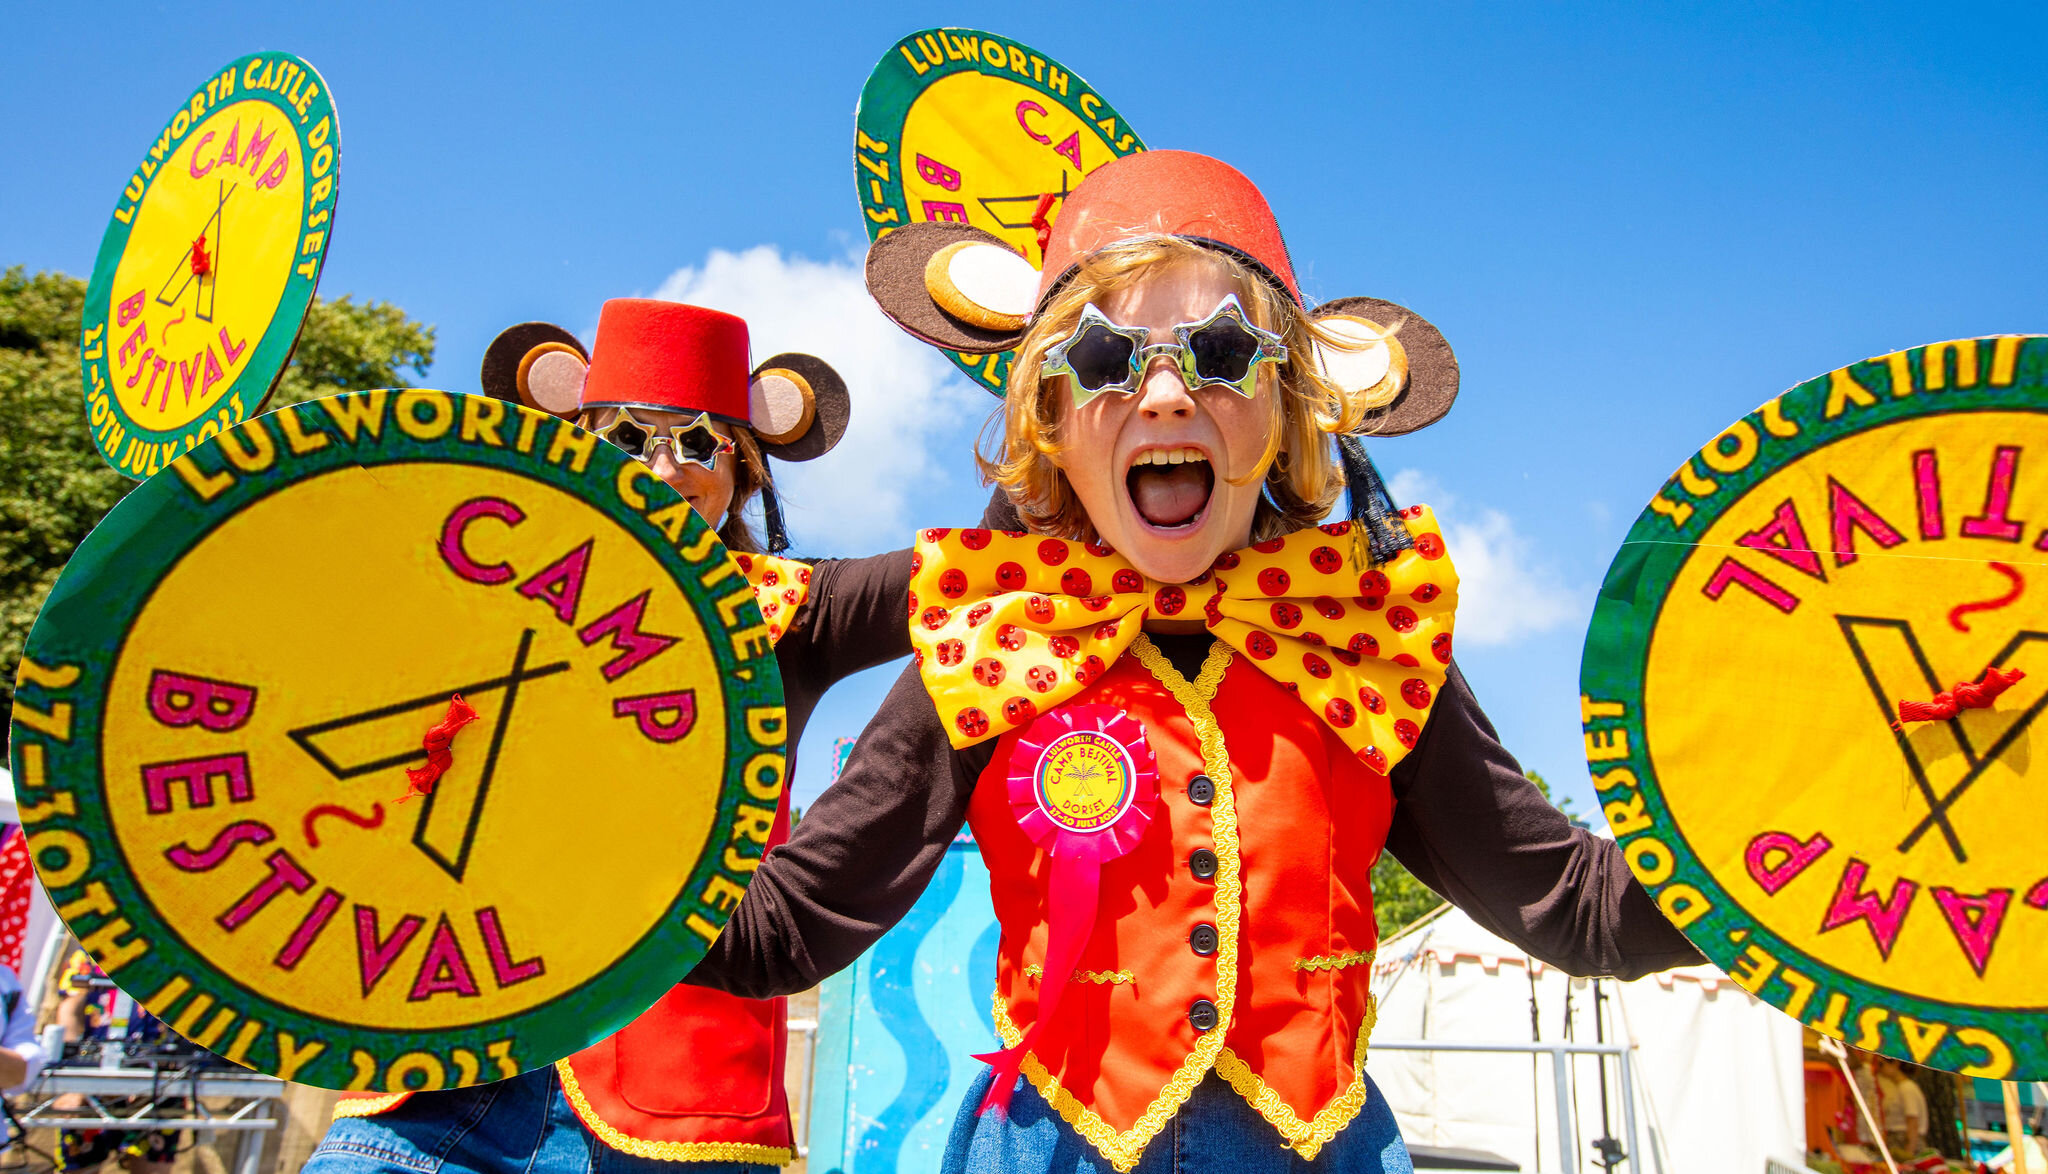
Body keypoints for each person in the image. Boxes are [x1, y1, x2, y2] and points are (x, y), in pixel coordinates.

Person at [685, 151, 1702, 1174]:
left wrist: (1781, 867)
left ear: (1289, 408)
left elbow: (1577, 905)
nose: (1165, 392)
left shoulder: (1364, 641)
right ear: (1048, 416)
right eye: (1101, 355)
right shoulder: (993, 636)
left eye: (1220, 351)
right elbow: (783, 930)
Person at [306, 300, 915, 1173]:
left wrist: (1070, 402)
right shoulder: (469, 580)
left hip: (674, 1093)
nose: (663, 468)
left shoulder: (790, 614)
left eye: (699, 442)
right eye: (628, 439)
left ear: (741, 472)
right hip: (449, 1067)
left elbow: (974, 572)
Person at [1875, 1057, 1927, 1157]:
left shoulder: (1906, 1088)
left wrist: (1908, 1153)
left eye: (1882, 1064)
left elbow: (1913, 1122)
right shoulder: (1902, 1087)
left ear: (1895, 1063)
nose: (1879, 1069)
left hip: (1904, 1142)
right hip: (1899, 1140)